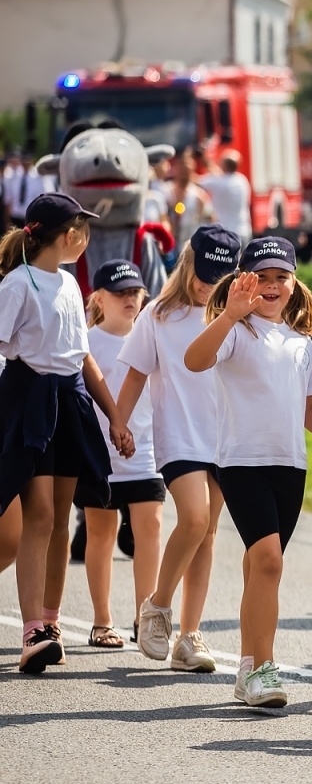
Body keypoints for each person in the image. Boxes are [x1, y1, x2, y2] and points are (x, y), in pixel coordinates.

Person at [184, 236, 312, 707]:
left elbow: (310, 411)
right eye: (261, 277)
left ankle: (246, 669)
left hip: (291, 468)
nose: (272, 285)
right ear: (242, 282)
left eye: (281, 277)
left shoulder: (302, 343)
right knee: (268, 561)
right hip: (241, 463)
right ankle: (263, 668)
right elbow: (194, 361)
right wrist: (228, 315)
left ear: (294, 283)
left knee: (260, 567)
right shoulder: (236, 333)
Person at [1, 193, 134, 674]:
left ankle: (51, 622)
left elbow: (83, 358)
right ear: (64, 234)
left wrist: (115, 416)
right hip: (28, 399)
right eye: (81, 227)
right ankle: (31, 629)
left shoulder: (70, 284)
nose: (86, 235)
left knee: (60, 516)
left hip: (68, 400)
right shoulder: (18, 284)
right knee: (36, 514)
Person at [117, 224, 239, 672]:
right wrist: (119, 420)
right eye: (204, 274)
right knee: (194, 516)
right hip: (179, 435)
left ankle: (189, 637)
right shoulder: (159, 315)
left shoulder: (236, 315)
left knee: (206, 535)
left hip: (224, 438)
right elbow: (134, 374)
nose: (209, 285)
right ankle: (157, 606)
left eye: (219, 278)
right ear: (188, 263)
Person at [77, 260, 164, 649]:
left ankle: (144, 618)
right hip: (98, 456)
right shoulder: (88, 341)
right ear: (98, 298)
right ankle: (102, 621)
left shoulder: (151, 335)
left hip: (146, 451)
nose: (130, 299)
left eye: (135, 292)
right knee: (101, 533)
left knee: (151, 530)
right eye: (120, 293)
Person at [164, 145, 216, 253]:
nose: (184, 170)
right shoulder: (166, 192)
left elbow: (211, 219)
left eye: (187, 166)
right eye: (181, 166)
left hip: (191, 249)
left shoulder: (199, 195)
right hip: (170, 249)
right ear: (175, 168)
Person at [198, 150, 253, 242]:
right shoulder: (242, 180)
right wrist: (207, 163)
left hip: (226, 234)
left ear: (225, 165)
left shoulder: (218, 182)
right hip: (244, 232)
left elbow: (196, 182)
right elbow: (219, 174)